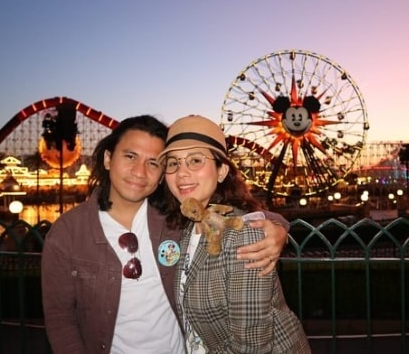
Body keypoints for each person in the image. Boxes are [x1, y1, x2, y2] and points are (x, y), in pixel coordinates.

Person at [41, 115, 289, 354]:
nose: (140, 172)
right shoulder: (67, 234)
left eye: (153, 163)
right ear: (108, 159)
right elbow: (60, 320)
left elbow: (229, 219)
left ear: (161, 176)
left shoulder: (173, 218)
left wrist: (276, 228)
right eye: (130, 156)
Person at [158, 115, 310, 353]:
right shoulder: (186, 228)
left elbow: (251, 347)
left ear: (221, 171)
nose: (181, 173)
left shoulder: (244, 235)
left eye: (195, 160)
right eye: (173, 163)